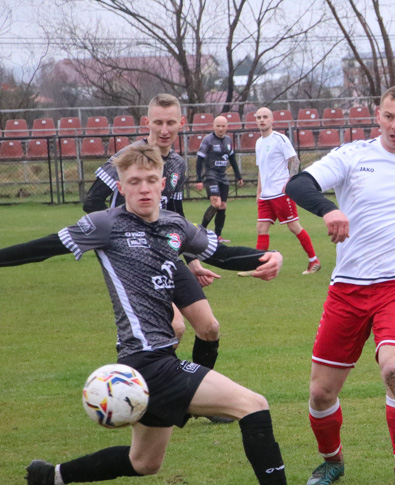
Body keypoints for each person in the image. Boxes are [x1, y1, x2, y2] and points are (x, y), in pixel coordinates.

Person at [3, 144, 343, 485]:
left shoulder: (174, 225)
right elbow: (41, 248)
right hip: (147, 360)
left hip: (152, 362)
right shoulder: (104, 224)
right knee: (253, 405)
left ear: (162, 183)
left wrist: (267, 257)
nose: (144, 188)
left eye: (151, 181)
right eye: (134, 182)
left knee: (143, 463)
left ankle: (51, 476)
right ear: (123, 186)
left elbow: (221, 255)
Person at [283, 85, 395, 485]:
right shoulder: (353, 156)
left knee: (394, 369)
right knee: (321, 392)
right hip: (348, 288)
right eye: (389, 116)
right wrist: (330, 208)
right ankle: (332, 461)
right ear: (378, 115)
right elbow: (299, 185)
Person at [82, 96, 225, 421]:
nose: (163, 129)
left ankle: (192, 401)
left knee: (209, 328)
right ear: (147, 123)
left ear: (180, 125)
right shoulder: (125, 158)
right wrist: (123, 238)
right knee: (174, 327)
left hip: (167, 257)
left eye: (170, 123)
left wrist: (195, 260)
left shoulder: (176, 164)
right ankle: (145, 398)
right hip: (133, 258)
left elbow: (176, 217)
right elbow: (91, 202)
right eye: (157, 122)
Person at [253, 107, 321, 275]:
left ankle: (314, 260)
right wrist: (258, 191)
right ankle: (257, 265)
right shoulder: (258, 142)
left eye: (265, 117)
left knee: (293, 226)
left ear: (271, 120)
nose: (262, 120)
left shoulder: (280, 139)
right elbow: (261, 169)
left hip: (281, 193)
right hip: (266, 195)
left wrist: (290, 182)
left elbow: (294, 161)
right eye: (259, 117)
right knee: (261, 228)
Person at [197, 115, 244, 243]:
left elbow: (232, 159)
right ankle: (202, 230)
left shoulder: (228, 140)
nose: (221, 128)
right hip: (211, 175)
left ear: (227, 127)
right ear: (213, 126)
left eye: (223, 126)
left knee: (222, 206)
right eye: (218, 126)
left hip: (223, 176)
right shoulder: (208, 140)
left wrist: (238, 176)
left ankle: (218, 236)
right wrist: (198, 179)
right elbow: (199, 160)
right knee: (216, 203)